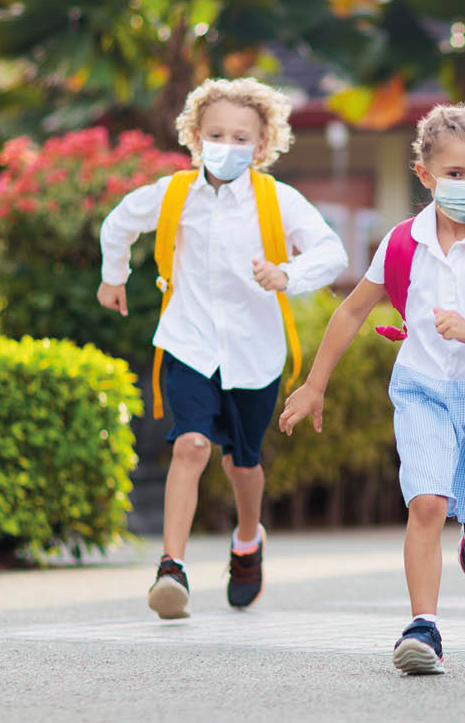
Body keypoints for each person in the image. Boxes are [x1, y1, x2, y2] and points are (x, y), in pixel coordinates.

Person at [278, 103, 465, 675]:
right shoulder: (402, 242)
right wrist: (314, 385)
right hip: (423, 389)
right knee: (427, 502)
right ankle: (423, 628)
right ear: (426, 175)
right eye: (455, 174)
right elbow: (351, 311)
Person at [97, 77, 348, 619]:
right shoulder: (173, 194)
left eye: (241, 137)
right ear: (194, 136)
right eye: (216, 134)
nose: (227, 146)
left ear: (262, 145)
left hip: (255, 354)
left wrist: (287, 274)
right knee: (190, 445)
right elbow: (118, 224)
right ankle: (171, 569)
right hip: (188, 343)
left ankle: (248, 541)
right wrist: (113, 276)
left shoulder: (277, 200)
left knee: (242, 465)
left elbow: (331, 252)